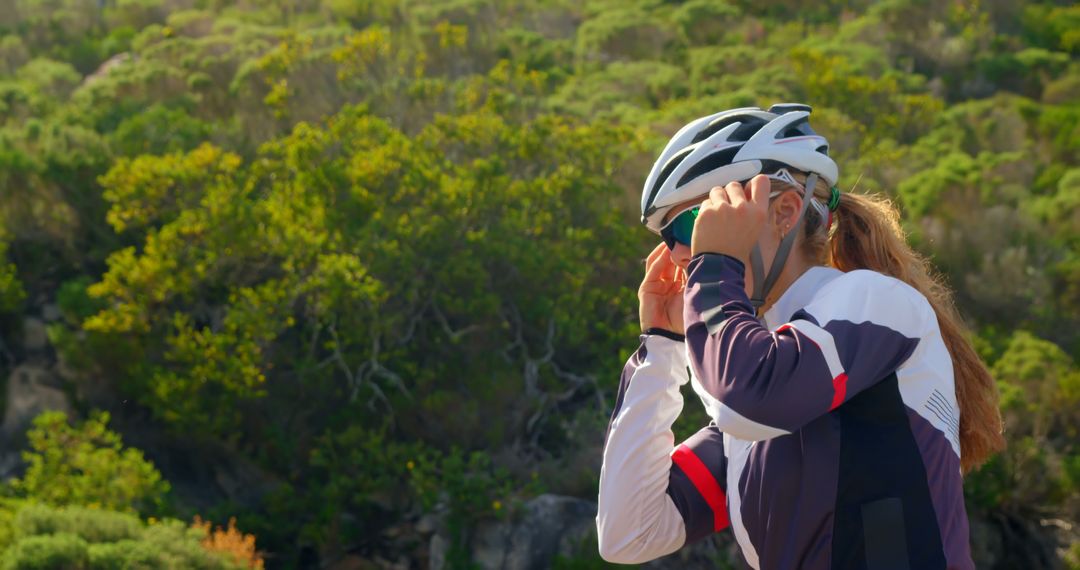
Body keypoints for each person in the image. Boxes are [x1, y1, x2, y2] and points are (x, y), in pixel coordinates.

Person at [596, 104, 1005, 569]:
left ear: (784, 212)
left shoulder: (876, 302)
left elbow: (749, 395)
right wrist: (661, 346)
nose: (682, 252)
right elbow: (628, 531)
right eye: (670, 237)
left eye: (698, 221)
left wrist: (714, 270)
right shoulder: (753, 409)